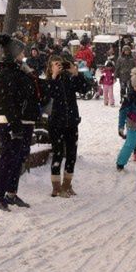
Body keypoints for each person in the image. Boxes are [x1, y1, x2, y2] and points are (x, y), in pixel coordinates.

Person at [0, 35, 38, 210]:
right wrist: (15, 126)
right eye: (20, 51)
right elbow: (7, 102)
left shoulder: (19, 71)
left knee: (17, 159)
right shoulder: (7, 74)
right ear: (13, 54)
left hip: (22, 120)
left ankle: (11, 193)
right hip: (11, 121)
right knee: (8, 158)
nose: (23, 54)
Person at [43, 54, 88, 197]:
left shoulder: (69, 78)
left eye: (60, 64)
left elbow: (85, 89)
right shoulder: (49, 81)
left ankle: (67, 185)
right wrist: (54, 76)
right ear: (50, 67)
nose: (59, 66)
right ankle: (56, 187)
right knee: (57, 154)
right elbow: (47, 96)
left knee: (71, 155)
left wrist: (76, 74)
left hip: (72, 122)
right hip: (56, 123)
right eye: (56, 64)